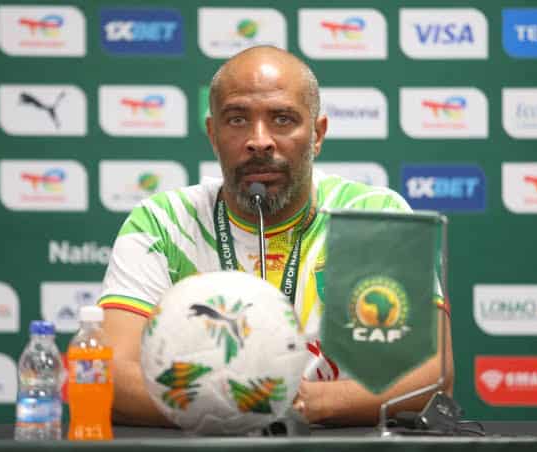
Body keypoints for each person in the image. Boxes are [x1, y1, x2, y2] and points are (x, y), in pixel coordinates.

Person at [98, 46, 454, 427]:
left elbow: (432, 373)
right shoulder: (162, 222)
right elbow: (108, 372)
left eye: (282, 119)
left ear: (317, 135)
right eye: (237, 120)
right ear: (213, 134)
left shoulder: (374, 216)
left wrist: (299, 404)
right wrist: (233, 408)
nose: (259, 140)